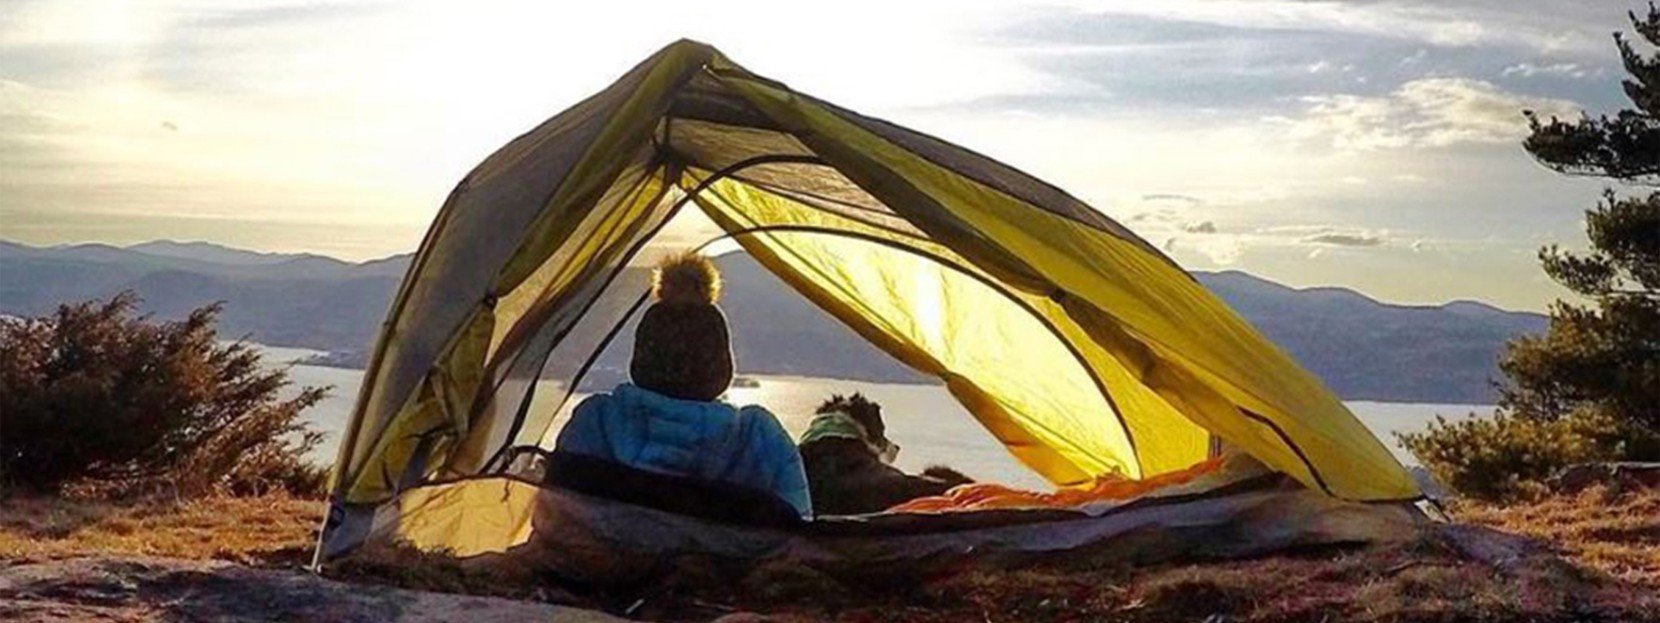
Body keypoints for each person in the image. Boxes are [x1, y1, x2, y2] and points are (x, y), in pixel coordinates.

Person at [555, 251, 811, 518]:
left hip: (598, 559)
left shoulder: (594, 423)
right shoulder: (760, 440)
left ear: (642, 355)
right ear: (721, 363)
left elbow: (556, 517)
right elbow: (796, 537)